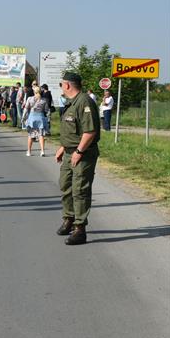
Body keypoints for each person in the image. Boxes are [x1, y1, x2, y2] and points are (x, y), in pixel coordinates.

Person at [55, 71, 100, 245]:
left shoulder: (84, 102)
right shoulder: (71, 103)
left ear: (67, 85)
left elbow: (90, 131)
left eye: (61, 84)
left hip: (83, 153)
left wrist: (79, 151)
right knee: (65, 185)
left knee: (79, 190)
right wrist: (62, 147)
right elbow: (72, 130)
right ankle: (69, 219)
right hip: (69, 151)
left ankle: (80, 229)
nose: (61, 87)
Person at [22, 85, 50, 156]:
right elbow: (46, 110)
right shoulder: (44, 100)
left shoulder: (30, 99)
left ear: (34, 91)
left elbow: (26, 108)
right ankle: (42, 151)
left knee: (31, 135)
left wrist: (23, 117)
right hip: (40, 117)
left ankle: (29, 151)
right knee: (41, 135)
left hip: (32, 117)